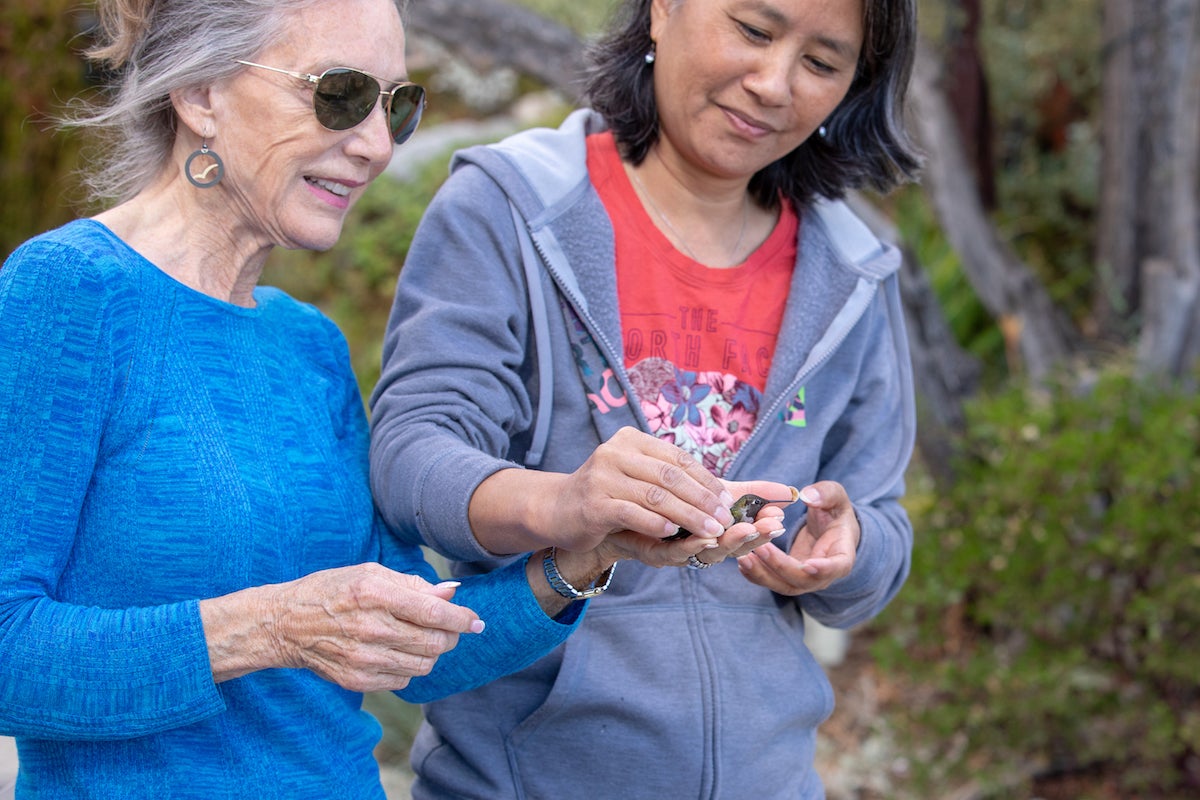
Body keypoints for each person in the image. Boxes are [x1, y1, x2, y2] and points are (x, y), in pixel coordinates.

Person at [0, 0, 634, 797]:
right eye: (338, 94)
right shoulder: (67, 293)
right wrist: (271, 628)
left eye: (398, 106)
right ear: (200, 92)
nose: (374, 144)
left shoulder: (310, 345)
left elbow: (417, 649)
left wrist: (589, 550)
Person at [368, 0, 922, 797]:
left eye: (823, 63)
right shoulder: (509, 210)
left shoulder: (851, 272)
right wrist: (569, 505)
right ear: (662, 9)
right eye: (755, 31)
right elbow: (411, 457)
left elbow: (881, 530)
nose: (773, 84)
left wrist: (849, 548)